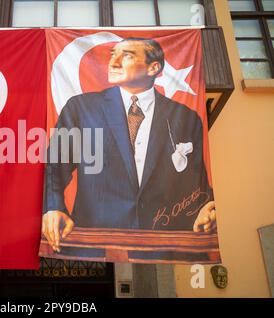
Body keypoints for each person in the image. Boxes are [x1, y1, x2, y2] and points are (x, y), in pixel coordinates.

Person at [42, 37, 217, 254]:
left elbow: (195, 183)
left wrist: (203, 210)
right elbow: (54, 168)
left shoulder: (186, 117)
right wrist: (52, 207)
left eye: (126, 56)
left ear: (154, 67)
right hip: (94, 245)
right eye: (113, 54)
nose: (113, 62)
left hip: (165, 246)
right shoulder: (81, 108)